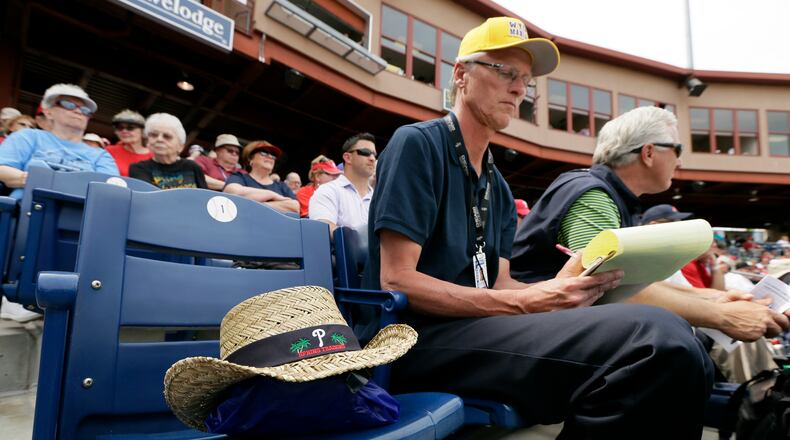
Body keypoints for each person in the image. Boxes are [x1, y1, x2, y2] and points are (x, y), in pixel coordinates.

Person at [363, 16, 712, 438]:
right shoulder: (419, 143)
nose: (518, 88)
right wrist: (533, 302)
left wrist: (563, 288)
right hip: (415, 340)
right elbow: (395, 280)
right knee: (654, 340)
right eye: (505, 72)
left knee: (683, 340)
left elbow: (502, 284)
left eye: (526, 80)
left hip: (481, 329)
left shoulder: (500, 187)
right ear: (461, 75)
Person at [509, 106, 788, 343]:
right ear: (649, 152)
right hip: (529, 331)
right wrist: (723, 316)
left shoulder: (611, 195)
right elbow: (607, 289)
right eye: (677, 149)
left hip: (549, 326)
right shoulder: (592, 196)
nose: (680, 161)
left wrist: (717, 299)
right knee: (669, 338)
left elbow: (632, 285)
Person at [0, 83, 118, 198]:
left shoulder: (101, 155)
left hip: (78, 214)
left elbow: (110, 190)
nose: (78, 111)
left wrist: (43, 180)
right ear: (48, 112)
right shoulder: (27, 136)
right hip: (25, 211)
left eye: (85, 110)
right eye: (68, 105)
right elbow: (2, 169)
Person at [309, 133, 376, 234]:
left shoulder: (379, 198)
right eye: (365, 152)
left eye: (374, 154)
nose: (372, 158)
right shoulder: (327, 191)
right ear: (348, 158)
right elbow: (322, 231)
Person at [129, 113, 207, 189]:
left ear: (180, 146)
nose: (159, 139)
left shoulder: (192, 167)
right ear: (148, 142)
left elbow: (205, 198)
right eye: (154, 135)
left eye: (167, 136)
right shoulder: (139, 168)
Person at [223, 141, 298, 214]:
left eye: (273, 155)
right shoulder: (240, 177)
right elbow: (231, 192)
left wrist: (260, 205)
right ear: (250, 158)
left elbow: (295, 207)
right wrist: (272, 195)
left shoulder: (282, 186)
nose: (269, 157)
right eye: (264, 153)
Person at [106, 109, 152, 176]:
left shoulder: (155, 156)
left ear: (143, 131)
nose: (124, 131)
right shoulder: (109, 151)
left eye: (130, 127)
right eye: (120, 128)